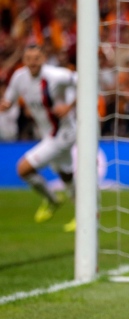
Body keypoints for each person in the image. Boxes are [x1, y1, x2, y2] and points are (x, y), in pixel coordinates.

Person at [0, 45, 77, 232]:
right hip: (48, 133)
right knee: (66, 175)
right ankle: (84, 214)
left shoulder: (55, 75)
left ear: (43, 58)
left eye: (36, 58)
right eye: (28, 58)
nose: (32, 62)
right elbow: (9, 100)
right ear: (24, 59)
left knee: (23, 169)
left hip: (63, 133)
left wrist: (69, 106)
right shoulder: (19, 77)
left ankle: (52, 200)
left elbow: (84, 81)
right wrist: (6, 105)